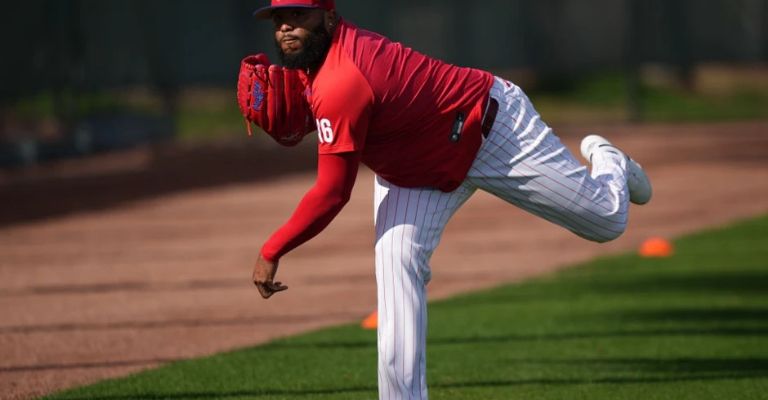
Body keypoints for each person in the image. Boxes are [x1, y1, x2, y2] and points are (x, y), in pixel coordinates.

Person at [248, 1, 652, 398]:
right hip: (414, 173)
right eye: (279, 18)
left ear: (330, 17)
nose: (286, 26)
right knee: (396, 278)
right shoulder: (315, 70)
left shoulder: (342, 79)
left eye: (299, 15)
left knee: (606, 220)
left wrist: (272, 250)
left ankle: (609, 161)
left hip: (491, 130)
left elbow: (332, 193)